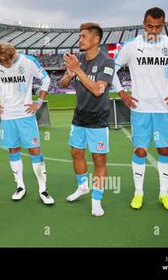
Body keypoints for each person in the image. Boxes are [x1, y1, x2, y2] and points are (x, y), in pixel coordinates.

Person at [112, 7, 168, 211]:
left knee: (164, 150)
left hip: (164, 108)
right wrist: (122, 93)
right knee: (140, 151)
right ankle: (138, 193)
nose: (154, 30)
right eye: (150, 26)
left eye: (158, 27)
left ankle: (163, 194)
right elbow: (111, 70)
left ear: (163, 25)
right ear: (143, 24)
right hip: (140, 109)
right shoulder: (131, 46)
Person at [0, 42, 54, 205]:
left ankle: (43, 189)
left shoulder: (28, 61)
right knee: (13, 150)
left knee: (35, 150)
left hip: (26, 115)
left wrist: (39, 101)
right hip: (7, 116)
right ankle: (20, 187)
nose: (6, 65)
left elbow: (46, 79)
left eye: (7, 62)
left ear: (13, 54)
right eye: (2, 62)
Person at [59, 23, 115, 216]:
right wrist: (70, 73)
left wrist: (79, 70)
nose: (80, 40)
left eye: (83, 36)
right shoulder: (78, 59)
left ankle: (97, 199)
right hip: (79, 116)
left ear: (96, 39)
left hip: (98, 118)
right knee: (76, 153)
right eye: (79, 36)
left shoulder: (107, 62)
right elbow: (63, 83)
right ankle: (83, 187)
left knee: (98, 158)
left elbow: (98, 90)